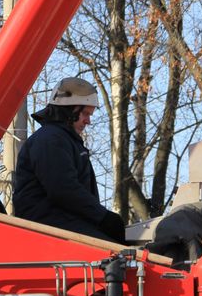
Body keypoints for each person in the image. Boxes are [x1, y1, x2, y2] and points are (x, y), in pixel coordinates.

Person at [13, 77, 125, 243]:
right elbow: (63, 189)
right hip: (50, 227)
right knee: (115, 258)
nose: (88, 121)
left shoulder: (62, 139)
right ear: (69, 110)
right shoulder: (50, 140)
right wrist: (103, 217)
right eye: (85, 114)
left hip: (62, 223)